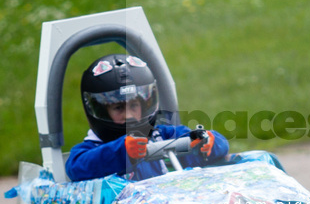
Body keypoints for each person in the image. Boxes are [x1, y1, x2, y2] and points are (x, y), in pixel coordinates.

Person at [65, 54, 229, 182]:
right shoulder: (90, 149)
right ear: (100, 111)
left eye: (133, 106)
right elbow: (76, 168)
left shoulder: (162, 135)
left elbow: (201, 142)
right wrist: (123, 151)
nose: (129, 115)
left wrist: (208, 142)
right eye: (118, 108)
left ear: (144, 105)